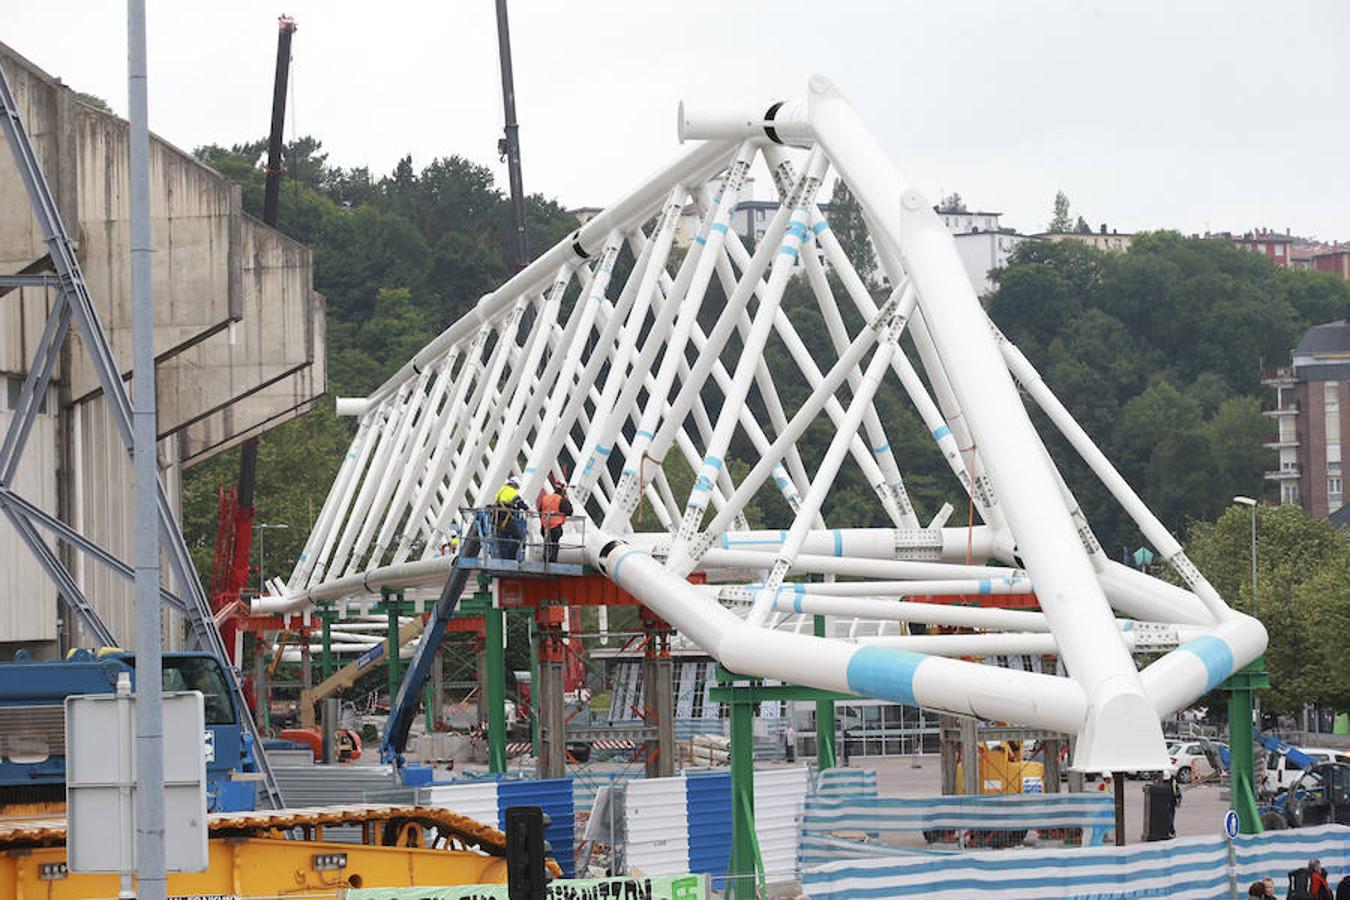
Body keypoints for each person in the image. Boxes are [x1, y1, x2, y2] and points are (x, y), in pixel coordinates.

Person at [493, 476, 529, 559]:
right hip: (506, 520)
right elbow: (519, 502)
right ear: (515, 485)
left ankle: (502, 559)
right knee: (518, 537)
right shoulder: (511, 491)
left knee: (503, 541)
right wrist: (527, 509)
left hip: (497, 520)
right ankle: (511, 557)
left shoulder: (501, 490)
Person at [537, 482, 573, 563]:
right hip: (555, 526)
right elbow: (569, 511)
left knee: (546, 543)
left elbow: (540, 511)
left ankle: (545, 559)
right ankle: (552, 561)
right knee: (554, 544)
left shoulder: (546, 498)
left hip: (544, 525)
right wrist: (567, 499)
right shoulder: (561, 500)